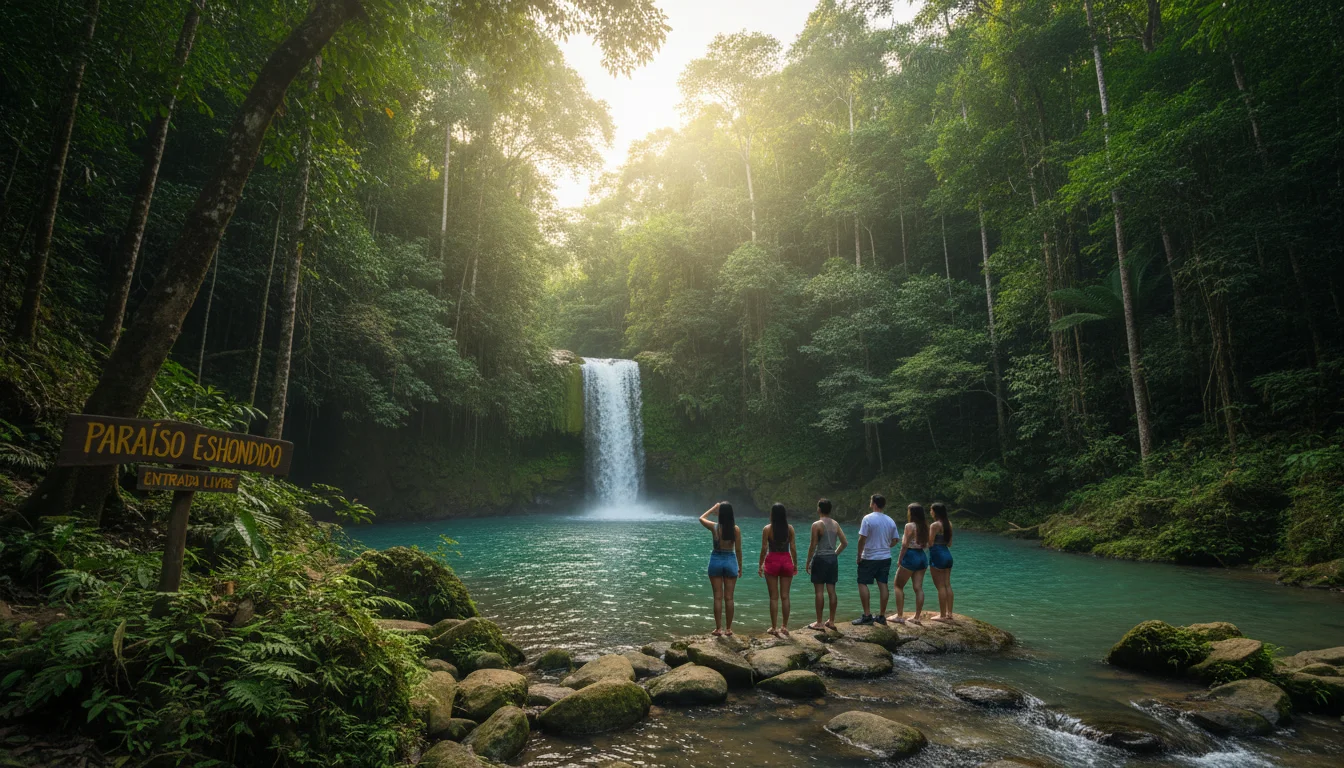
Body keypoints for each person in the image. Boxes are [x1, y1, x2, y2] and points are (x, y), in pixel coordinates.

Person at [852, 494, 897, 625]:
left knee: (862, 582)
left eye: (871, 502)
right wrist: (886, 547)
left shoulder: (867, 518)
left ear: (874, 504)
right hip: (885, 557)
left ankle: (867, 615)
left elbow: (862, 539)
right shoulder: (890, 520)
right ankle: (882, 616)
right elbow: (895, 540)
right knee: (883, 584)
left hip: (869, 557)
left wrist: (859, 555)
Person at [699, 501, 742, 637]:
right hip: (730, 560)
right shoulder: (735, 529)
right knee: (729, 598)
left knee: (717, 597)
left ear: (720, 514)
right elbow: (739, 550)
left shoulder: (715, 527)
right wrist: (740, 567)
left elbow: (701, 518)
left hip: (716, 560)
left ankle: (718, 629)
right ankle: (728, 629)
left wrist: (713, 508)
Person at [804, 498, 848, 630]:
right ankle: (832, 621)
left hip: (820, 559)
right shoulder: (835, 524)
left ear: (819, 509)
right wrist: (835, 553)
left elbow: (813, 546)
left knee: (819, 592)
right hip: (832, 560)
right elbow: (844, 543)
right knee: (832, 591)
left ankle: (819, 622)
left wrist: (808, 562)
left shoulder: (817, 525)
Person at [758, 502, 798, 636]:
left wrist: (760, 565)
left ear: (772, 514)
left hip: (772, 561)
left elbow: (764, 549)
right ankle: (785, 627)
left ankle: (774, 627)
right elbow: (793, 548)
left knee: (774, 598)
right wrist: (795, 565)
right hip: (786, 561)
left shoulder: (767, 529)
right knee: (785, 596)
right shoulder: (790, 528)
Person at [889, 503, 929, 625]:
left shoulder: (909, 526)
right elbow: (927, 544)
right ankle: (917, 617)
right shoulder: (925, 526)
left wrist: (900, 559)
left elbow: (905, 544)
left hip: (911, 556)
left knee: (898, 586)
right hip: (922, 556)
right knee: (918, 588)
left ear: (911, 513)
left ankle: (900, 616)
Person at [928, 501, 955, 622]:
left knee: (940, 587)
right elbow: (949, 543)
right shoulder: (949, 524)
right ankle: (949, 613)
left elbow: (930, 543)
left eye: (931, 510)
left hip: (937, 556)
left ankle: (942, 615)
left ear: (935, 512)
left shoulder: (934, 525)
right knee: (947, 584)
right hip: (948, 555)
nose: (930, 512)